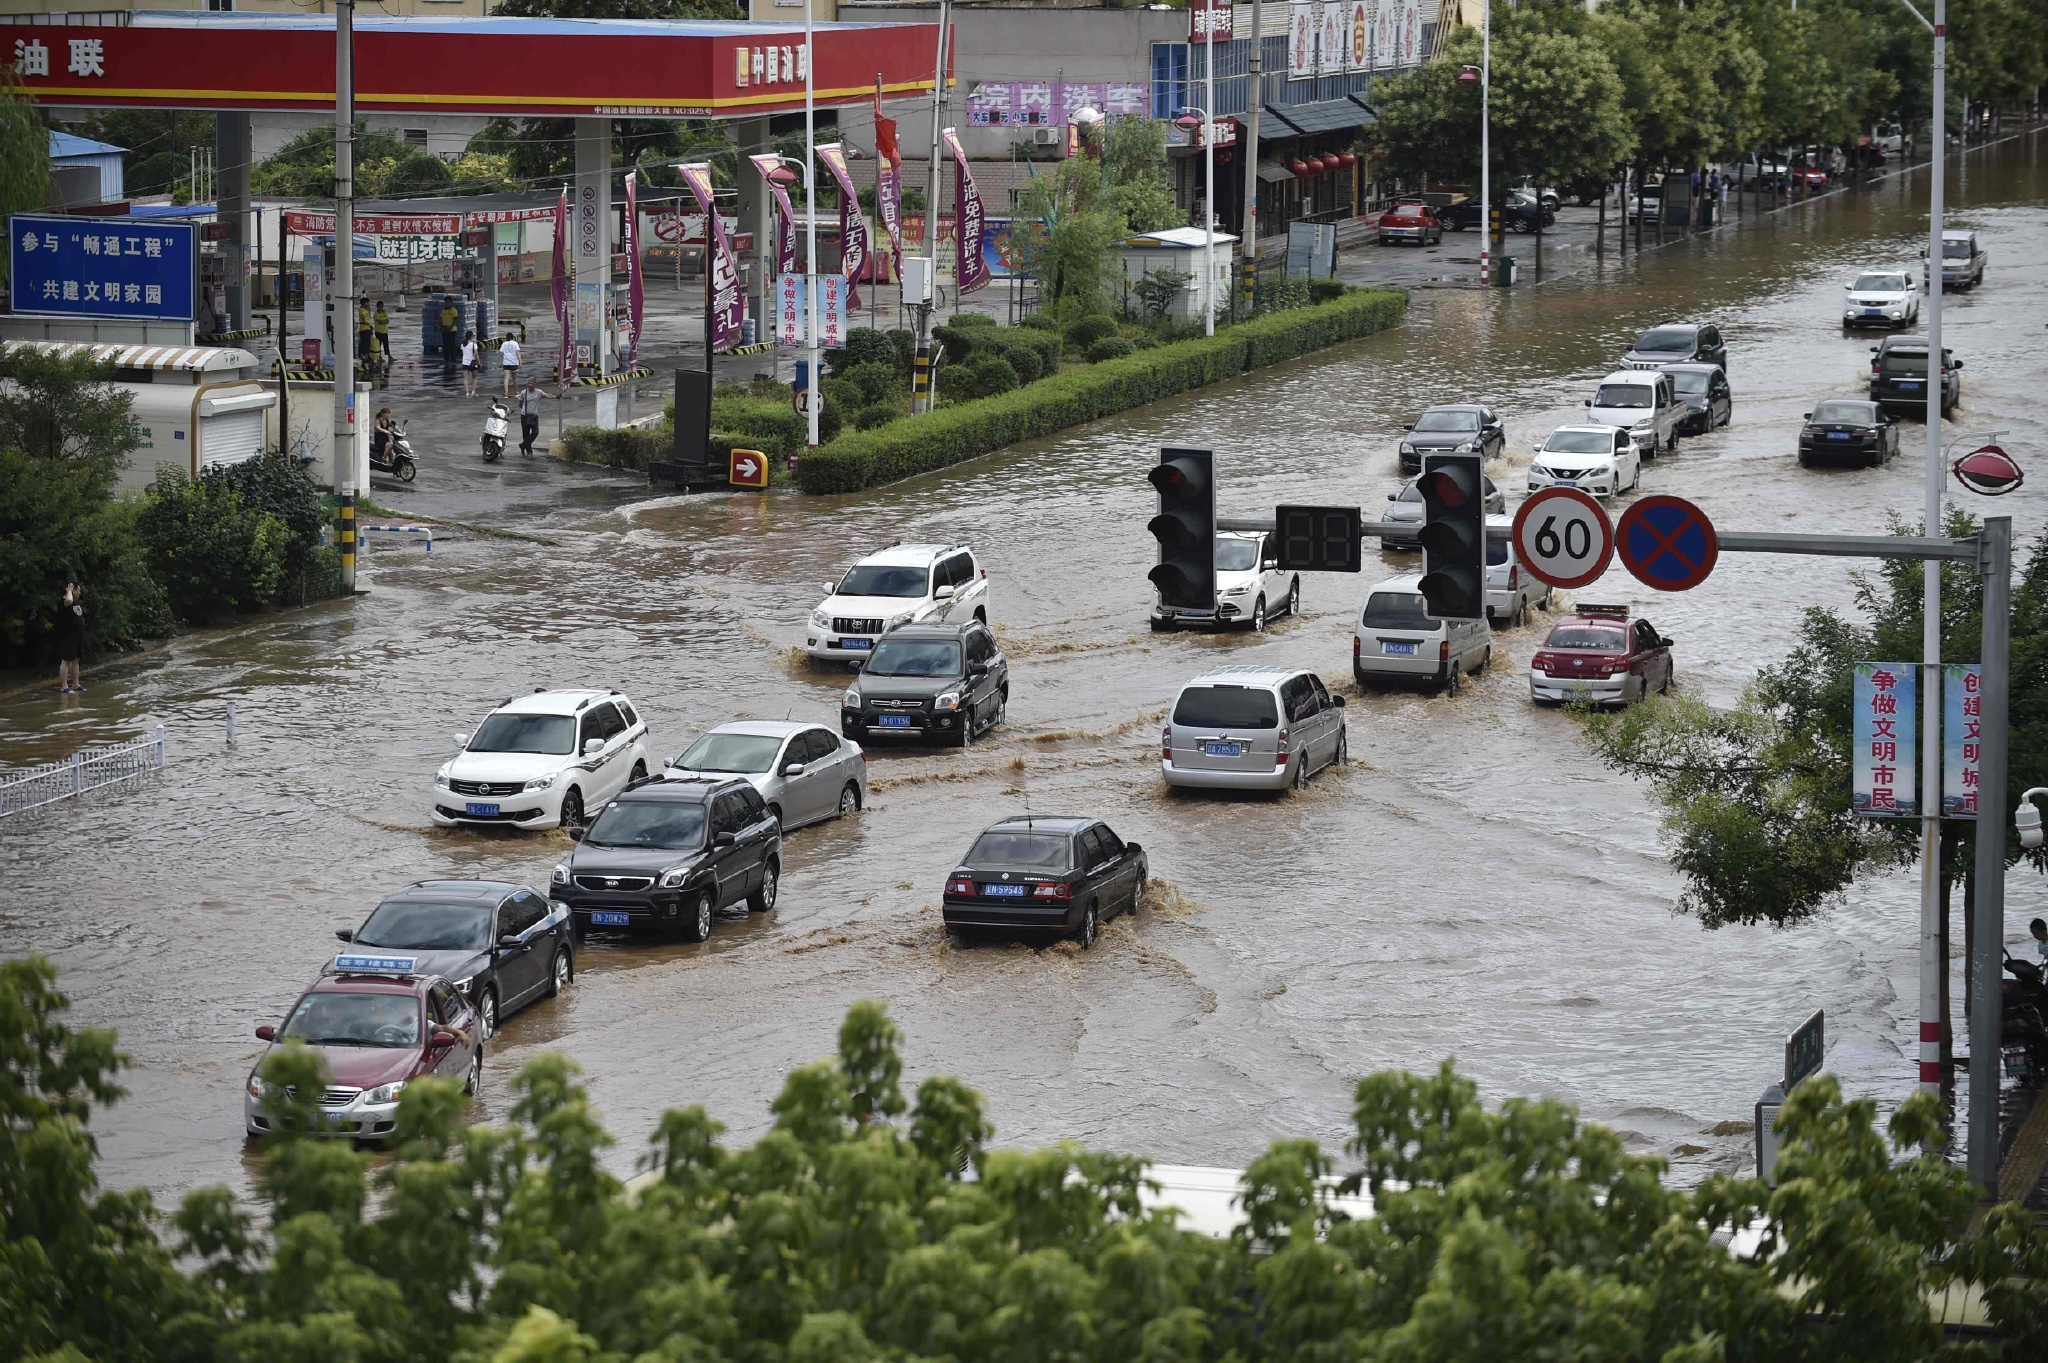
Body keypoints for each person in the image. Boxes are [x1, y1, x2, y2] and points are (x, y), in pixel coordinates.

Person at [56, 582, 85, 695]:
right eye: (78, 590)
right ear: (72, 590)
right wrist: (69, 591)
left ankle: (76, 684)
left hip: (78, 635)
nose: (80, 592)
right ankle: (64, 686)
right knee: (66, 660)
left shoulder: (76, 602)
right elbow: (68, 601)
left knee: (76, 660)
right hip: (68, 636)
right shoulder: (65, 601)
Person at [516, 376, 556, 456]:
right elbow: (520, 404)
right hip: (524, 416)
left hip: (534, 416)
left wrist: (557, 396)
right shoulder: (524, 392)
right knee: (525, 434)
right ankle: (529, 451)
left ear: (535, 384)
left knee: (535, 432)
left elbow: (547, 395)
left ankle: (523, 445)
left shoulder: (539, 392)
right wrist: (525, 410)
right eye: (528, 383)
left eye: (531, 383)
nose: (529, 385)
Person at [499, 332, 522, 396]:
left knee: (506, 378)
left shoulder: (504, 344)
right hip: (514, 363)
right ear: (512, 337)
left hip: (506, 363)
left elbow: (501, 353)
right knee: (515, 378)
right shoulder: (515, 343)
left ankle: (506, 392)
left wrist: (504, 356)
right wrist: (520, 362)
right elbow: (518, 353)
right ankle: (516, 392)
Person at [459, 330, 480, 397]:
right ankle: (473, 392)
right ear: (471, 337)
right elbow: (476, 354)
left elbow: (463, 353)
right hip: (472, 363)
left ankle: (467, 393)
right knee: (475, 377)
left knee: (466, 378)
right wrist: (479, 362)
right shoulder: (474, 345)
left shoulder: (463, 344)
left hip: (464, 363)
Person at [438, 300, 459, 365]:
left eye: (448, 302)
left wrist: (451, 327)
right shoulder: (443, 311)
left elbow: (455, 320)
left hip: (452, 330)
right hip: (445, 330)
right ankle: (446, 359)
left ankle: (453, 359)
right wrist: (441, 327)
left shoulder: (453, 311)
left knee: (451, 345)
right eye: (446, 302)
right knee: (445, 345)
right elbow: (441, 319)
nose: (447, 303)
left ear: (451, 303)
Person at [373, 301, 391, 370]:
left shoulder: (384, 312)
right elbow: (379, 322)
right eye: (380, 307)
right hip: (379, 331)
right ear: (377, 307)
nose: (381, 308)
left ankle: (389, 356)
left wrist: (383, 321)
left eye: (382, 306)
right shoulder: (376, 314)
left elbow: (387, 320)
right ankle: (379, 357)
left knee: (386, 344)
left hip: (385, 331)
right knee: (379, 345)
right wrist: (384, 321)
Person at [357, 300, 374, 368]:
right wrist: (365, 322)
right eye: (366, 302)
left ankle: (365, 356)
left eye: (368, 302)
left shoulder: (366, 309)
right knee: (365, 343)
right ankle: (364, 356)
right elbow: (363, 316)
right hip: (364, 328)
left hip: (367, 327)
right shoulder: (362, 309)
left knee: (367, 343)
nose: (367, 304)